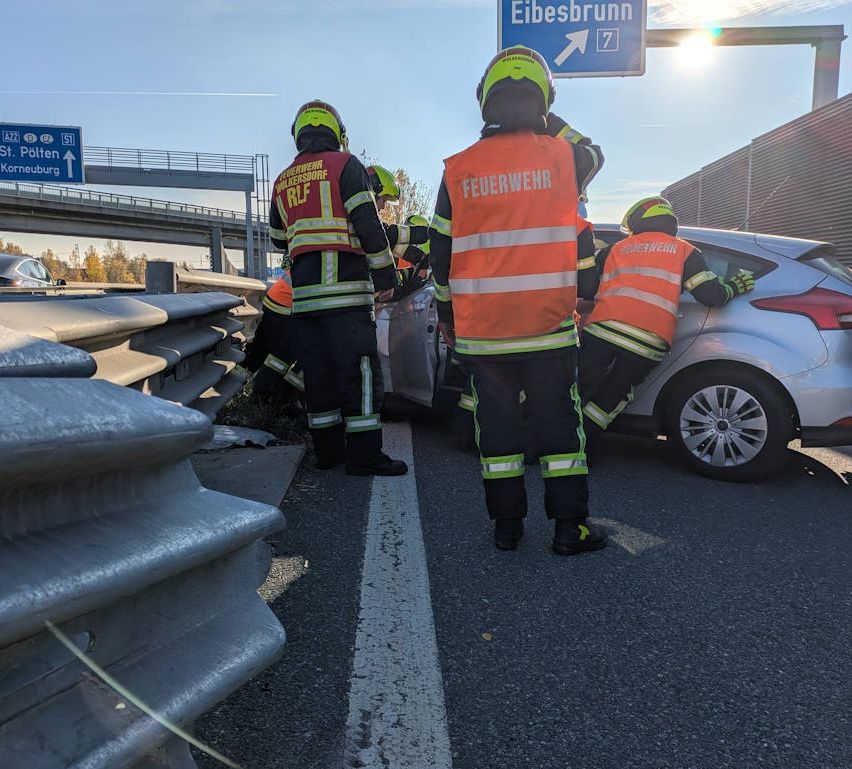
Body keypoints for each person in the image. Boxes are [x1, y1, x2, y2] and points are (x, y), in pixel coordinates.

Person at [430, 46, 607, 555]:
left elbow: (440, 253)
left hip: (484, 334)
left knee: (498, 435)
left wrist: (447, 316)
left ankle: (507, 528)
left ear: (485, 101)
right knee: (559, 432)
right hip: (548, 328)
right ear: (543, 99)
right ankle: (569, 529)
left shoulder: (458, 169)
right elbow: (594, 151)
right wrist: (548, 120)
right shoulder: (564, 156)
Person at [268, 100, 407, 476]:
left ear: (299, 134)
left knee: (319, 375)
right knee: (360, 374)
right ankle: (364, 456)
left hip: (305, 301)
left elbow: (278, 238)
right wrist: (387, 277)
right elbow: (368, 225)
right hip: (347, 296)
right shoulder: (346, 165)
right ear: (337, 133)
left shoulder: (282, 180)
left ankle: (328, 453)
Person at [579, 196, 755, 445]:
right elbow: (710, 295)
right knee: (611, 397)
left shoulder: (614, 249)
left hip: (602, 332)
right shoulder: (686, 251)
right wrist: (736, 285)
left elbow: (588, 288)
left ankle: (552, 445)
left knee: (577, 389)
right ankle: (581, 445)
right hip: (646, 343)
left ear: (636, 221)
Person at [242, 269, 305, 403]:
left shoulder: (313, 259)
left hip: (275, 300)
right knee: (280, 360)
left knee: (258, 351)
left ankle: (232, 385)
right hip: (287, 308)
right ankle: (262, 397)